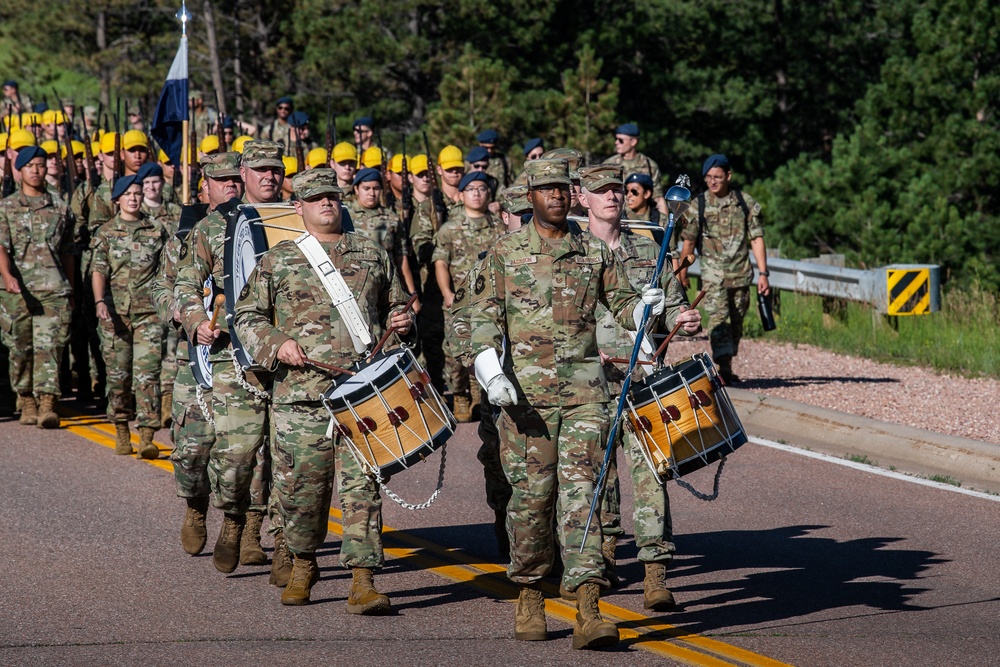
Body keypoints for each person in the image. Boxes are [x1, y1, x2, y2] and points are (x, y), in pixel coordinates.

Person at [469, 158, 665, 650]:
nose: (556, 195)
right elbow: (484, 318)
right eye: (546, 188)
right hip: (524, 401)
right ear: (531, 195)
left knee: (584, 498)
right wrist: (490, 370)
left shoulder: (594, 252)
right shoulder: (505, 253)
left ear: (573, 195)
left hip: (584, 396)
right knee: (532, 502)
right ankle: (531, 594)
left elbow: (619, 302)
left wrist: (641, 308)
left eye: (562, 188)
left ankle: (587, 608)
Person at [233, 167, 412, 608]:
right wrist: (278, 343)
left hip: (361, 392)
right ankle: (302, 563)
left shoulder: (371, 253)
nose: (327, 204)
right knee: (301, 491)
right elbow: (246, 316)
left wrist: (403, 321)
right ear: (300, 208)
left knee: (363, 488)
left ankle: (363, 578)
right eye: (316, 199)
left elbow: (399, 304)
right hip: (300, 395)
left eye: (332, 197)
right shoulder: (280, 259)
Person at [578, 163, 700, 610]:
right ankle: (606, 554)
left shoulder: (649, 251)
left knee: (651, 474)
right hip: (587, 383)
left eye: (617, 189)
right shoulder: (571, 254)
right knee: (597, 475)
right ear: (583, 199)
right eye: (602, 191)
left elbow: (674, 307)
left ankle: (655, 571)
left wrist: (684, 320)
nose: (613, 196)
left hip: (643, 380)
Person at [174, 140, 285, 576]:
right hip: (232, 356)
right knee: (237, 453)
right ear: (243, 176)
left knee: (285, 457)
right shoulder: (213, 227)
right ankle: (229, 515)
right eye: (259, 169)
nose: (269, 176)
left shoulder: (299, 219)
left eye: (276, 169)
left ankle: (267, 537)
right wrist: (196, 319)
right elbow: (185, 283)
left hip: (289, 357)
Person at [152, 151, 242, 556]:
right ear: (204, 185)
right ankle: (195, 506)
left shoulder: (258, 230)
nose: (231, 186)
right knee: (191, 450)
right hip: (196, 357)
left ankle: (246, 525)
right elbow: (161, 287)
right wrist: (180, 312)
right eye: (222, 180)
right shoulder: (188, 233)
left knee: (245, 451)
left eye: (236, 179)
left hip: (243, 357)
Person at [91, 175, 169, 458]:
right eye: (128, 194)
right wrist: (100, 301)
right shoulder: (106, 233)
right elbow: (98, 269)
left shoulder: (156, 229)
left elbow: (166, 269)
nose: (134, 198)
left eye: (138, 193)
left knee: (148, 375)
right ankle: (122, 428)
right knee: (118, 377)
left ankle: (147, 435)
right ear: (118, 199)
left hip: (149, 314)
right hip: (116, 315)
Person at [0, 146, 76, 429]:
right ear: (19, 170)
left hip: (54, 288)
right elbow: (1, 246)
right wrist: (7, 275)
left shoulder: (60, 207)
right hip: (16, 292)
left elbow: (68, 251)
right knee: (20, 348)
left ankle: (46, 402)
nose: (35, 169)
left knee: (51, 348)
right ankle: (26, 399)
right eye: (29, 165)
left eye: (40, 165)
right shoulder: (7, 207)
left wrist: (71, 290)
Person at [679, 153, 769, 384]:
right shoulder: (698, 205)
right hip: (712, 275)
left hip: (740, 274)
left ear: (728, 175)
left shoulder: (745, 203)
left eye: (717, 177)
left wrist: (763, 273)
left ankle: (727, 359)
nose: (713, 181)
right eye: (709, 177)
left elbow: (756, 238)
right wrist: (682, 271)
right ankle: (724, 365)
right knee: (719, 320)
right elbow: (688, 241)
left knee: (737, 320)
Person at [433, 170, 503, 422]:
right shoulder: (449, 229)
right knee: (454, 353)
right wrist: (447, 293)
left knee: (486, 347)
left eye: (481, 189)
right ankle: (460, 393)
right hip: (459, 302)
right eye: (471, 189)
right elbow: (441, 262)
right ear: (461, 195)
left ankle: (477, 393)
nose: (476, 193)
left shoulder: (498, 225)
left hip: (488, 302)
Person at [604, 123, 666, 215]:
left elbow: (658, 198)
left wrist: (664, 225)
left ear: (633, 142)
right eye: (616, 139)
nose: (616, 142)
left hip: (642, 219)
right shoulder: (609, 165)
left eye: (621, 140)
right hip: (617, 218)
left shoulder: (649, 165)